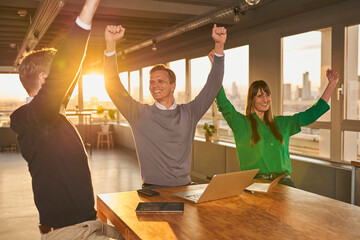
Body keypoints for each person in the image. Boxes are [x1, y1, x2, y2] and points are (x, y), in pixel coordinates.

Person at [10, 0, 123, 239]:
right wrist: (90, 6)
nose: (64, 86)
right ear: (44, 79)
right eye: (54, 79)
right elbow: (65, 71)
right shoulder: (36, 118)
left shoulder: (49, 118)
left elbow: (66, 78)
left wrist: (110, 45)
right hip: (71, 233)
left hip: (85, 225)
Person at [103, 24, 227, 188]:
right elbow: (113, 87)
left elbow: (213, 85)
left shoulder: (189, 113)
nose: (155, 86)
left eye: (160, 81)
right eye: (152, 82)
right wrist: (110, 45)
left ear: (172, 86)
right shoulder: (139, 114)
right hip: (153, 190)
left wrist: (219, 46)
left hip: (185, 188)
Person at [212, 50, 338, 187]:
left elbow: (310, 115)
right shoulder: (241, 124)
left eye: (267, 95)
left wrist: (332, 84)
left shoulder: (282, 123)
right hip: (256, 184)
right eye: (260, 96)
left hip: (284, 183)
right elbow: (223, 103)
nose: (265, 99)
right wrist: (216, 68)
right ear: (251, 100)